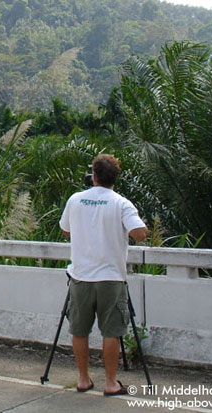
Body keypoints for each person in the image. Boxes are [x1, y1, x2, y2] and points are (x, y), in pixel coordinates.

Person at [59, 154, 148, 396]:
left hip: (81, 276)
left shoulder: (76, 200)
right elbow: (139, 234)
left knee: (79, 329)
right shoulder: (121, 203)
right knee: (111, 331)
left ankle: (83, 379)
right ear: (115, 179)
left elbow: (65, 230)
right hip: (111, 277)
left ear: (94, 176)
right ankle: (111, 382)